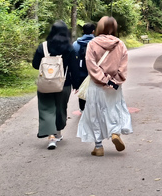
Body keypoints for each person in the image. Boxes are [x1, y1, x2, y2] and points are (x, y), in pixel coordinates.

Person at [76, 16, 133, 156]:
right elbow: (123, 66)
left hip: (96, 85)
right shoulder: (120, 44)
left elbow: (91, 64)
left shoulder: (92, 43)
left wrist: (103, 79)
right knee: (114, 108)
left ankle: (98, 146)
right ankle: (114, 132)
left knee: (95, 113)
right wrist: (114, 80)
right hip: (114, 86)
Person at [32, 20, 81, 149]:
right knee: (60, 108)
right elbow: (74, 69)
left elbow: (35, 64)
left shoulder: (42, 47)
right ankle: (57, 132)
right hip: (63, 84)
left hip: (44, 84)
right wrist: (77, 85)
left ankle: (51, 136)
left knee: (46, 109)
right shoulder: (69, 48)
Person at [72, 21, 96, 112]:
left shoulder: (75, 44)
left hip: (80, 71)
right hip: (94, 71)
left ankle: (82, 109)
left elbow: (73, 59)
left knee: (82, 90)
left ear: (83, 31)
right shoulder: (97, 43)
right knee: (94, 90)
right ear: (93, 31)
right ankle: (93, 110)